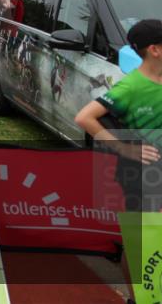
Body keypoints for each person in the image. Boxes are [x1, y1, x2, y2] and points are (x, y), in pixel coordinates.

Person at [75, 19, 162, 304]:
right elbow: (85, 117)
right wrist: (125, 149)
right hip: (142, 175)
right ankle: (138, 297)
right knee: (140, 240)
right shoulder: (131, 87)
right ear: (155, 49)